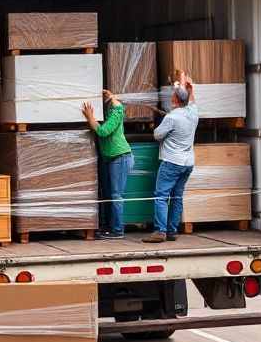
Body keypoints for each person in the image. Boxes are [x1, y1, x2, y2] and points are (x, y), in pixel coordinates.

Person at [143, 74, 199, 243]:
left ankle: (160, 231)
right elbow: (192, 101)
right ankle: (172, 230)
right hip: (188, 163)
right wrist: (190, 88)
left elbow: (157, 135)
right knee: (177, 196)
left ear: (174, 99)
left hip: (172, 162)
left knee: (161, 196)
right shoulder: (193, 112)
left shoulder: (171, 118)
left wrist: (160, 123)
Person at [82, 90, 133, 240]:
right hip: (111, 159)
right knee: (109, 194)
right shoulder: (110, 109)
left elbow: (104, 131)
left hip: (120, 157)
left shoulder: (117, 111)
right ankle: (108, 227)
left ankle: (118, 231)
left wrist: (90, 118)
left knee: (116, 195)